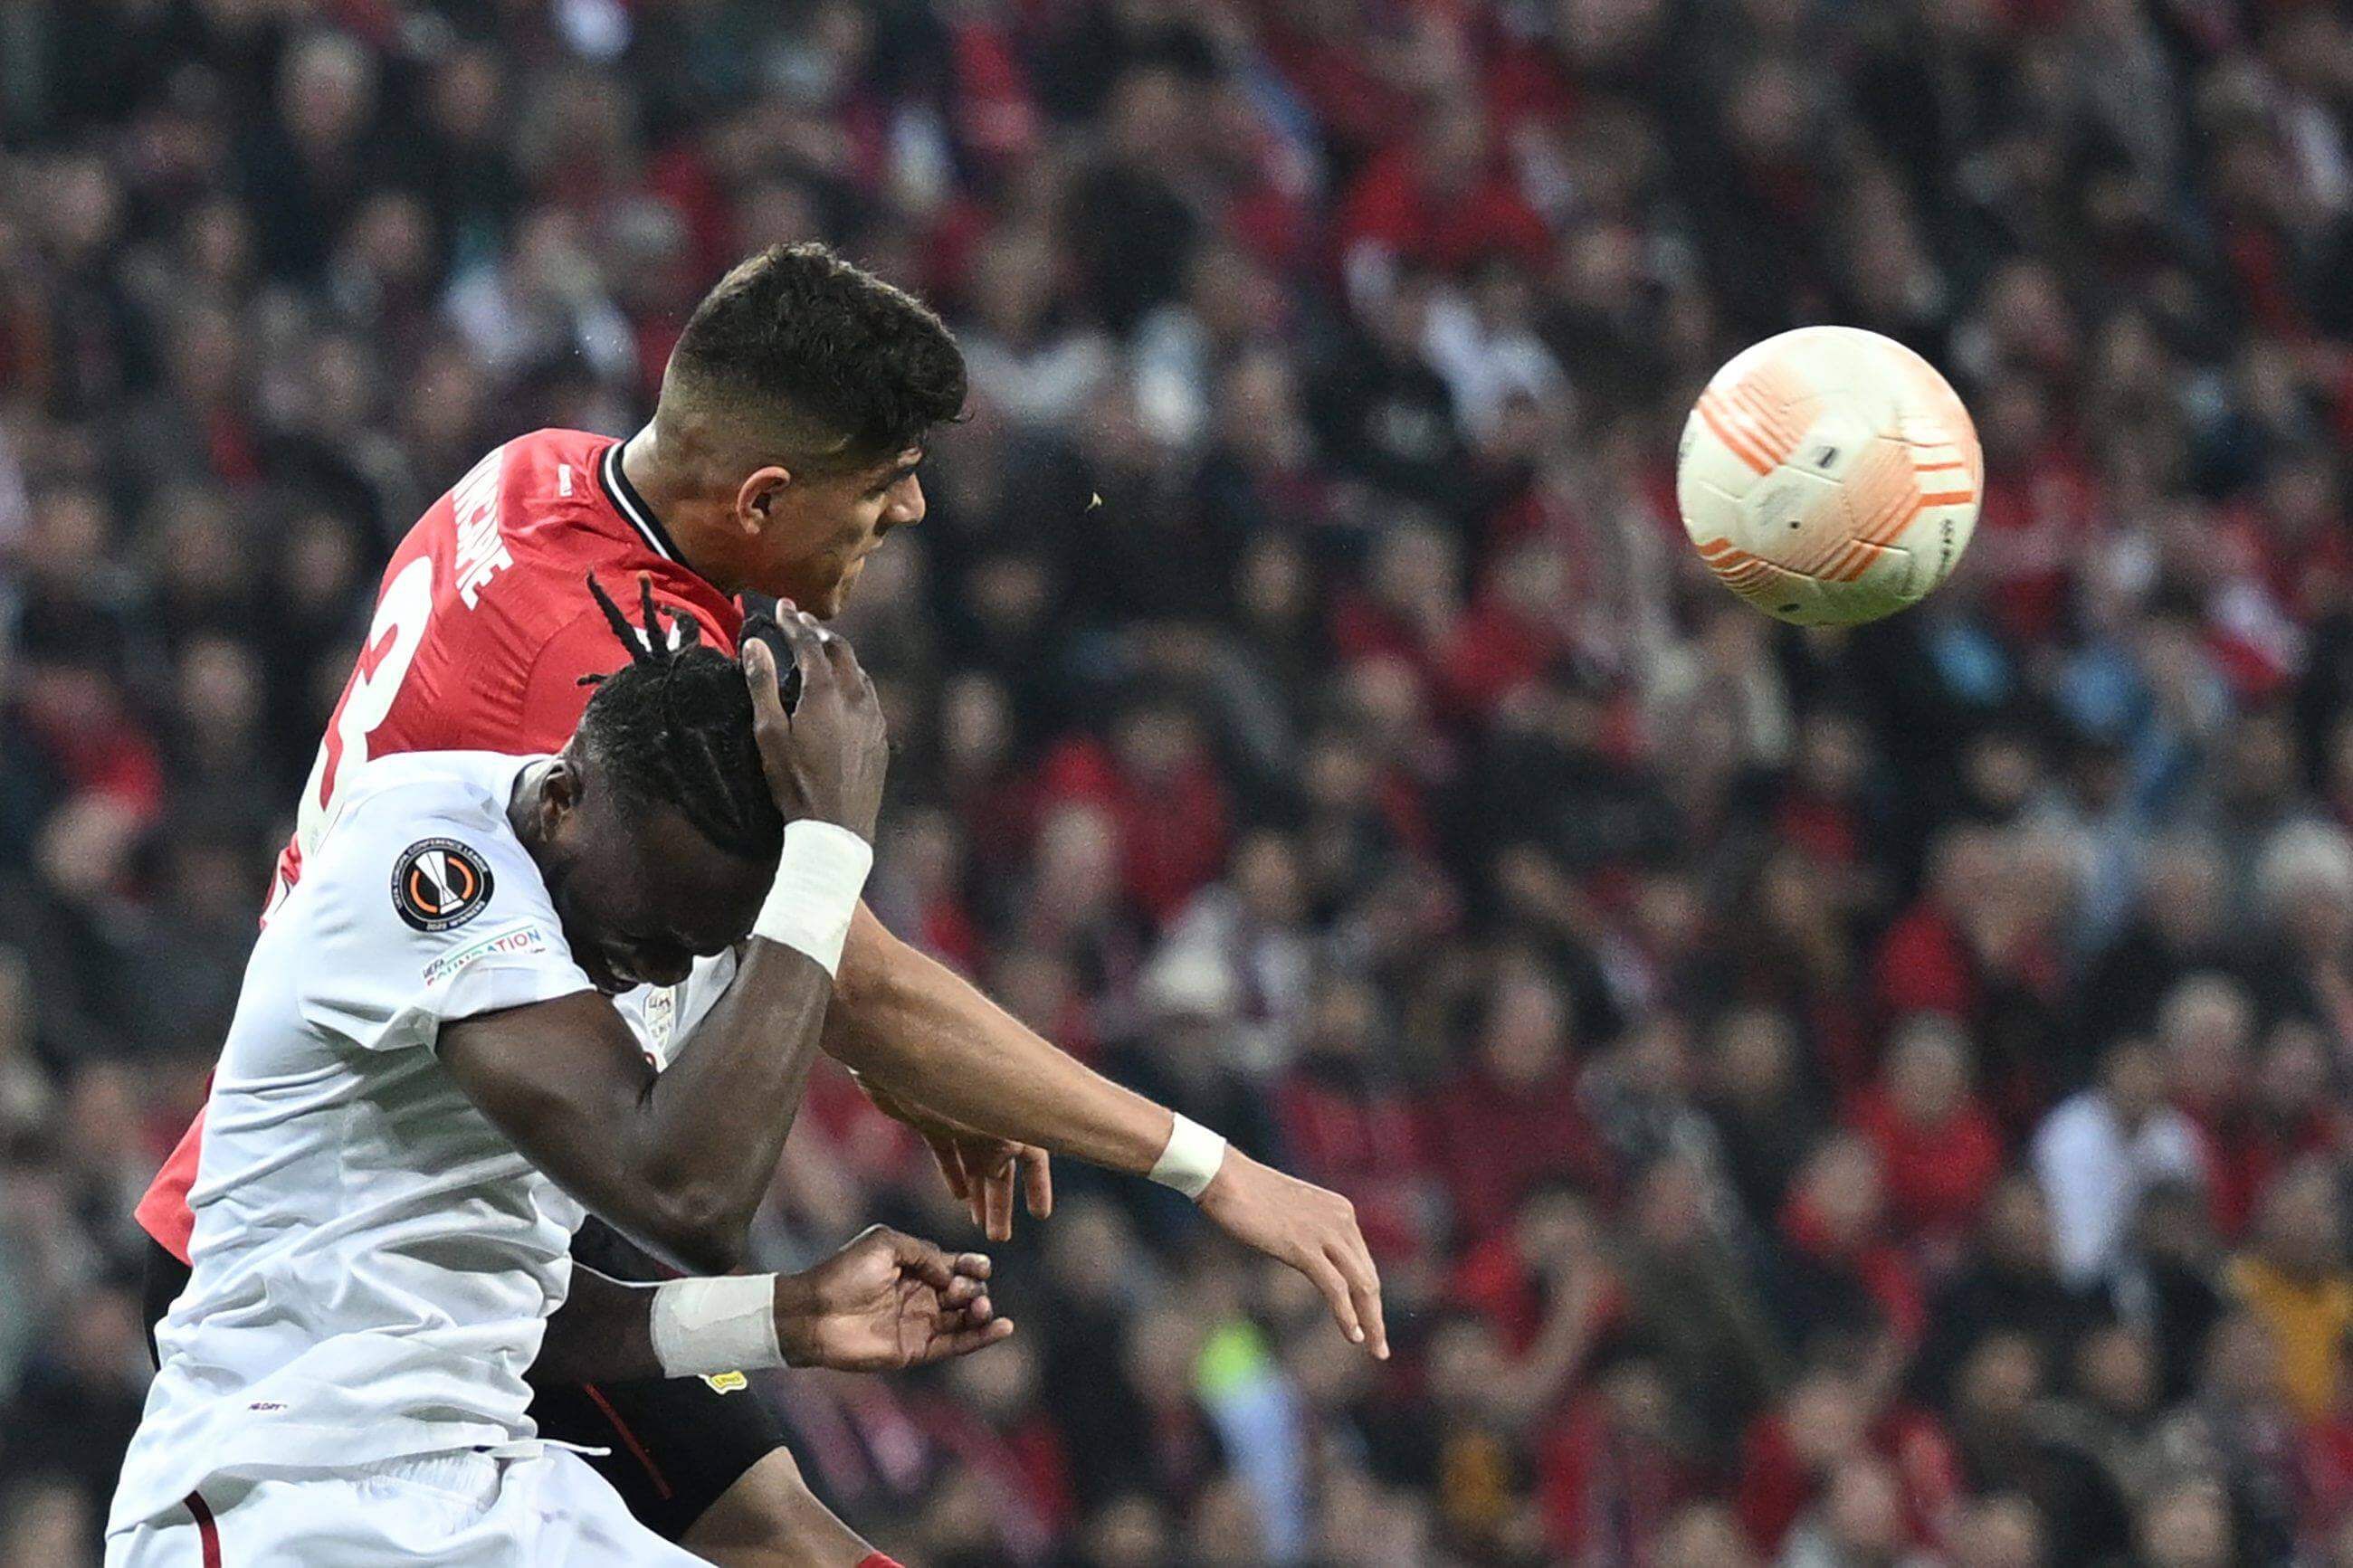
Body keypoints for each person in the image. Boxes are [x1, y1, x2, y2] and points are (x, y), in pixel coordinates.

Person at [130, 241, 1386, 1563]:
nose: (905, 516)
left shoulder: (540, 473)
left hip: (433, 1197)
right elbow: (853, 984)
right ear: (764, 493)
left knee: (797, 1536)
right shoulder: (610, 670)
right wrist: (1210, 1165)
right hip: (345, 1260)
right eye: (886, 482)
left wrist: (923, 1080)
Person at [109, 590, 1012, 1563]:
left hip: (489, 1481)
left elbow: (509, 1306)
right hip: (292, 1494)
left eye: (698, 947)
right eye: (652, 933)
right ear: (562, 795)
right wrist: (828, 856)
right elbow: (689, 1196)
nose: (665, 970)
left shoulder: (616, 903)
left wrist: (786, 1313)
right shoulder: (425, 855)